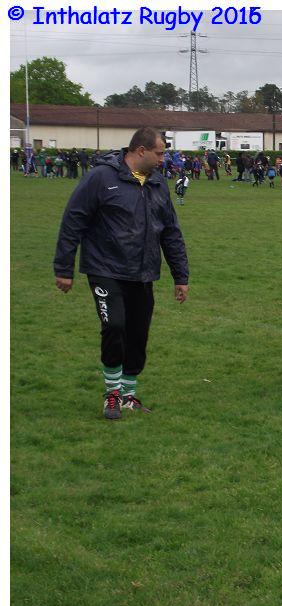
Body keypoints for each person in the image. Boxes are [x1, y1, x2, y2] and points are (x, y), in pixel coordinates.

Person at [53, 127, 189, 420]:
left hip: (143, 272)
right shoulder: (101, 178)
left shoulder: (158, 184)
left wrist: (181, 276)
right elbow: (73, 220)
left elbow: (171, 232)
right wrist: (63, 268)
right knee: (114, 325)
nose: (163, 159)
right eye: (159, 153)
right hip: (105, 269)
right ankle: (112, 394)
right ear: (141, 150)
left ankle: (128, 394)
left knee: (138, 333)